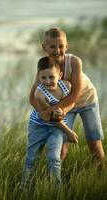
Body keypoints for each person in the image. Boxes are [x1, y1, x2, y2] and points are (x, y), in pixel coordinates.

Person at [30, 28, 105, 163]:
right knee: (62, 142)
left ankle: (101, 171)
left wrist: (53, 110)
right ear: (44, 47)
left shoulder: (75, 62)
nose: (57, 50)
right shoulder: (45, 66)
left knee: (94, 141)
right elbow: (33, 97)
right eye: (52, 46)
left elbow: (75, 94)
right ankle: (55, 175)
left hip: (86, 101)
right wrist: (43, 112)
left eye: (61, 46)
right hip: (64, 104)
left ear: (67, 46)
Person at [22, 56, 78, 186]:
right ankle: (24, 188)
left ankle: (55, 189)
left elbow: (72, 103)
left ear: (60, 75)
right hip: (39, 126)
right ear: (38, 77)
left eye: (51, 77)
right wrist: (68, 132)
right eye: (43, 78)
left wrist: (64, 110)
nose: (47, 81)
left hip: (57, 128)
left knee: (54, 157)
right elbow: (49, 118)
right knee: (32, 158)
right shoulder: (39, 94)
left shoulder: (66, 86)